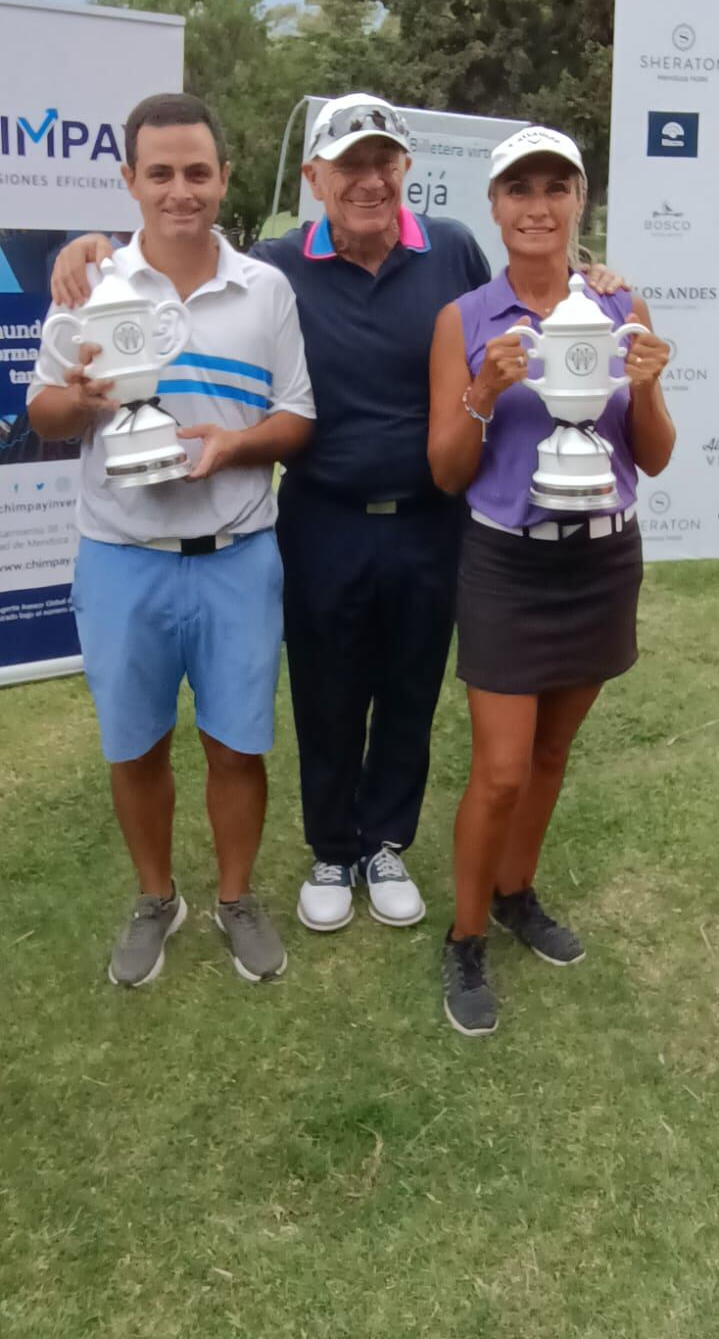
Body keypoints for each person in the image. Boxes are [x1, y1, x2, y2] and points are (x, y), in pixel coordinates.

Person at [48, 95, 621, 941]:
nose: (368, 180)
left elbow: (525, 295)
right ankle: (330, 848)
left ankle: (385, 842)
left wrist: (592, 275)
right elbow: (179, 244)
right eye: (348, 165)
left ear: (406, 172)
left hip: (431, 516)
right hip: (322, 514)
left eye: (383, 162)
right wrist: (88, 246)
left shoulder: (452, 248)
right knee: (325, 688)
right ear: (313, 178)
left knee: (408, 686)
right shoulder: (280, 266)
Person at [28, 93, 315, 988]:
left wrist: (238, 445)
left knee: (237, 744)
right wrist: (84, 400)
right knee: (134, 744)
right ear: (129, 181)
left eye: (197, 172)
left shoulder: (265, 288)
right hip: (120, 558)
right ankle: (158, 898)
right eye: (161, 173)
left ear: (224, 178)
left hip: (236, 553)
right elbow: (42, 412)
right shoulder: (90, 285)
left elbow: (297, 416)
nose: (180, 190)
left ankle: (234, 898)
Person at [428, 125, 674, 1037]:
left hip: (603, 555)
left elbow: (647, 454)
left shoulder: (619, 305)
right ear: (492, 206)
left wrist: (646, 384)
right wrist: (482, 392)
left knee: (550, 755)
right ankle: (463, 937)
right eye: (518, 189)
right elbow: (446, 471)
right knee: (496, 770)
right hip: (507, 560)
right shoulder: (465, 319)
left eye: (555, 188)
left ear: (578, 202)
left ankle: (514, 891)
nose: (537, 206)